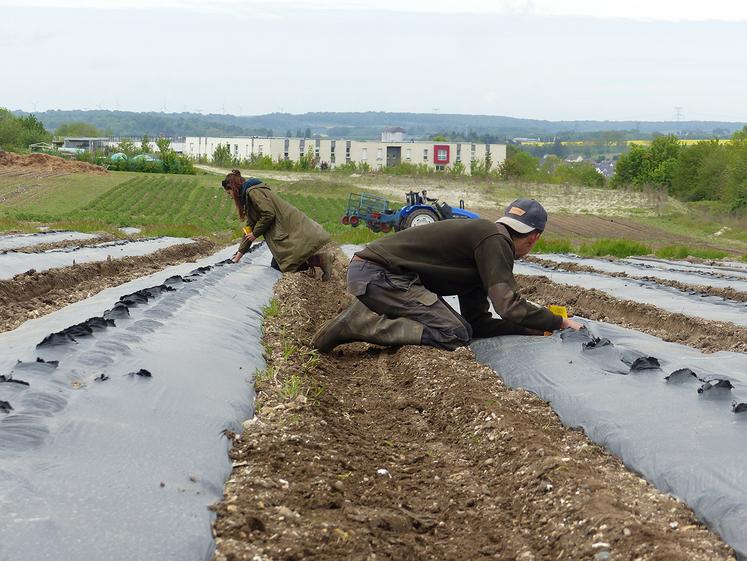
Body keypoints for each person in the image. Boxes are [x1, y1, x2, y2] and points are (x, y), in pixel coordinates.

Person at [312, 198, 582, 352]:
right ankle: (361, 323)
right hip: (380, 275)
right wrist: (558, 322)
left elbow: (479, 323)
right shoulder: (494, 240)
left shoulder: (484, 245)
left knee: (463, 330)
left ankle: (366, 314)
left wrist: (530, 328)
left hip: (380, 276)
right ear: (534, 237)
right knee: (453, 333)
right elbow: (508, 305)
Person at [221, 170, 334, 279]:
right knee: (282, 264)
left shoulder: (252, 192)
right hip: (286, 227)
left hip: (287, 228)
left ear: (233, 188)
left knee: (281, 265)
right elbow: (250, 225)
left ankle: (321, 260)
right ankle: (320, 261)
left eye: (229, 192)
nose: (230, 196)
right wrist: (240, 253)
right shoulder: (250, 193)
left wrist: (255, 234)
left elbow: (268, 213)